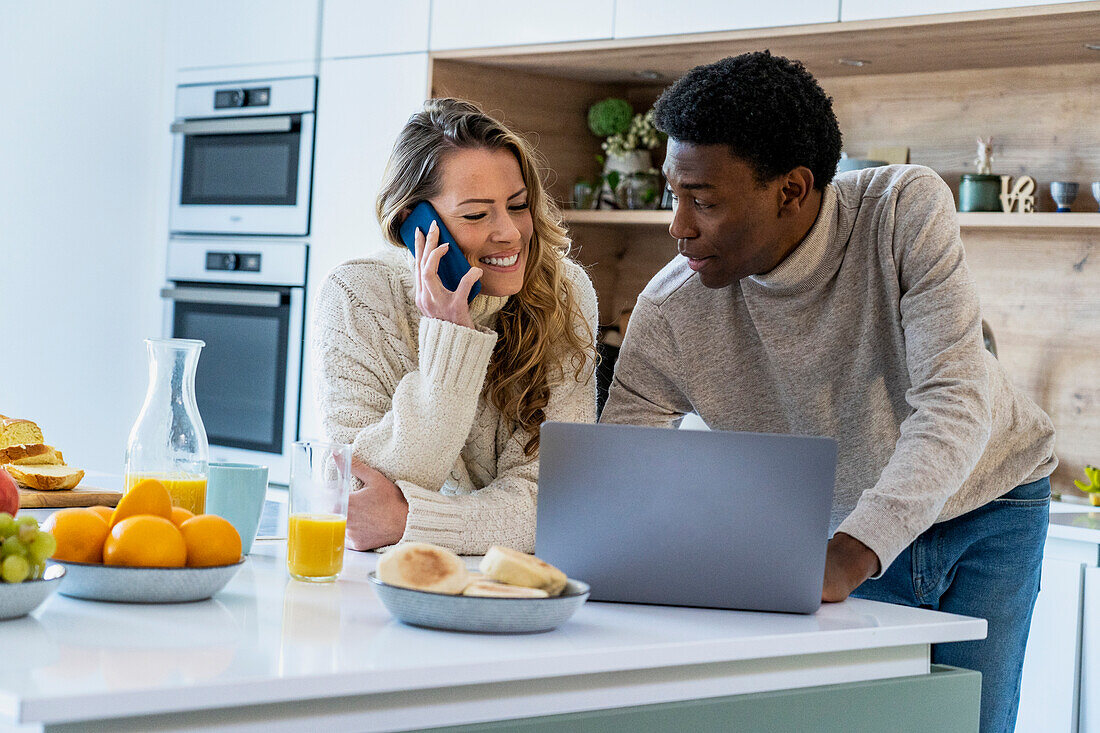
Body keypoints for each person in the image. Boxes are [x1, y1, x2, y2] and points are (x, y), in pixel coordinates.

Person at [600, 52, 1056, 733]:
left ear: (792, 189)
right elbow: (616, 478)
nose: (679, 226)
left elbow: (955, 402)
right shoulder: (671, 310)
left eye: (705, 199)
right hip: (832, 532)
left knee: (971, 723)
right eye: (673, 194)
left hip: (990, 503)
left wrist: (850, 553)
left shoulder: (903, 212)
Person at [312, 98, 598, 555]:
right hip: (384, 579)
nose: (510, 233)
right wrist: (451, 340)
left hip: (511, 581)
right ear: (415, 224)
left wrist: (409, 519)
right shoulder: (357, 295)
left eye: (518, 205)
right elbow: (352, 497)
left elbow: (554, 501)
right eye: (476, 214)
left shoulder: (563, 292)